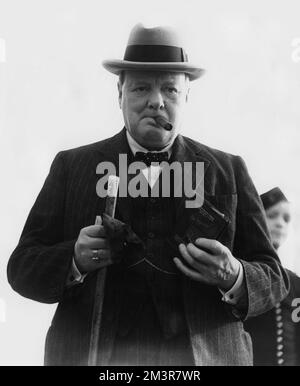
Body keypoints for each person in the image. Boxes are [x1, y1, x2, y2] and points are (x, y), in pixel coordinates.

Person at [7, 24, 288, 366]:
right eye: (141, 87)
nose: (157, 101)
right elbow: (21, 268)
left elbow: (275, 278)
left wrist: (234, 275)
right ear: (119, 93)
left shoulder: (228, 170)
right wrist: (74, 259)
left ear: (186, 97)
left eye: (170, 89)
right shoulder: (72, 167)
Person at [245, 187, 300, 366]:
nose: (280, 224)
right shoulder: (241, 275)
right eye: (272, 215)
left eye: (286, 219)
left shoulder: (295, 283)